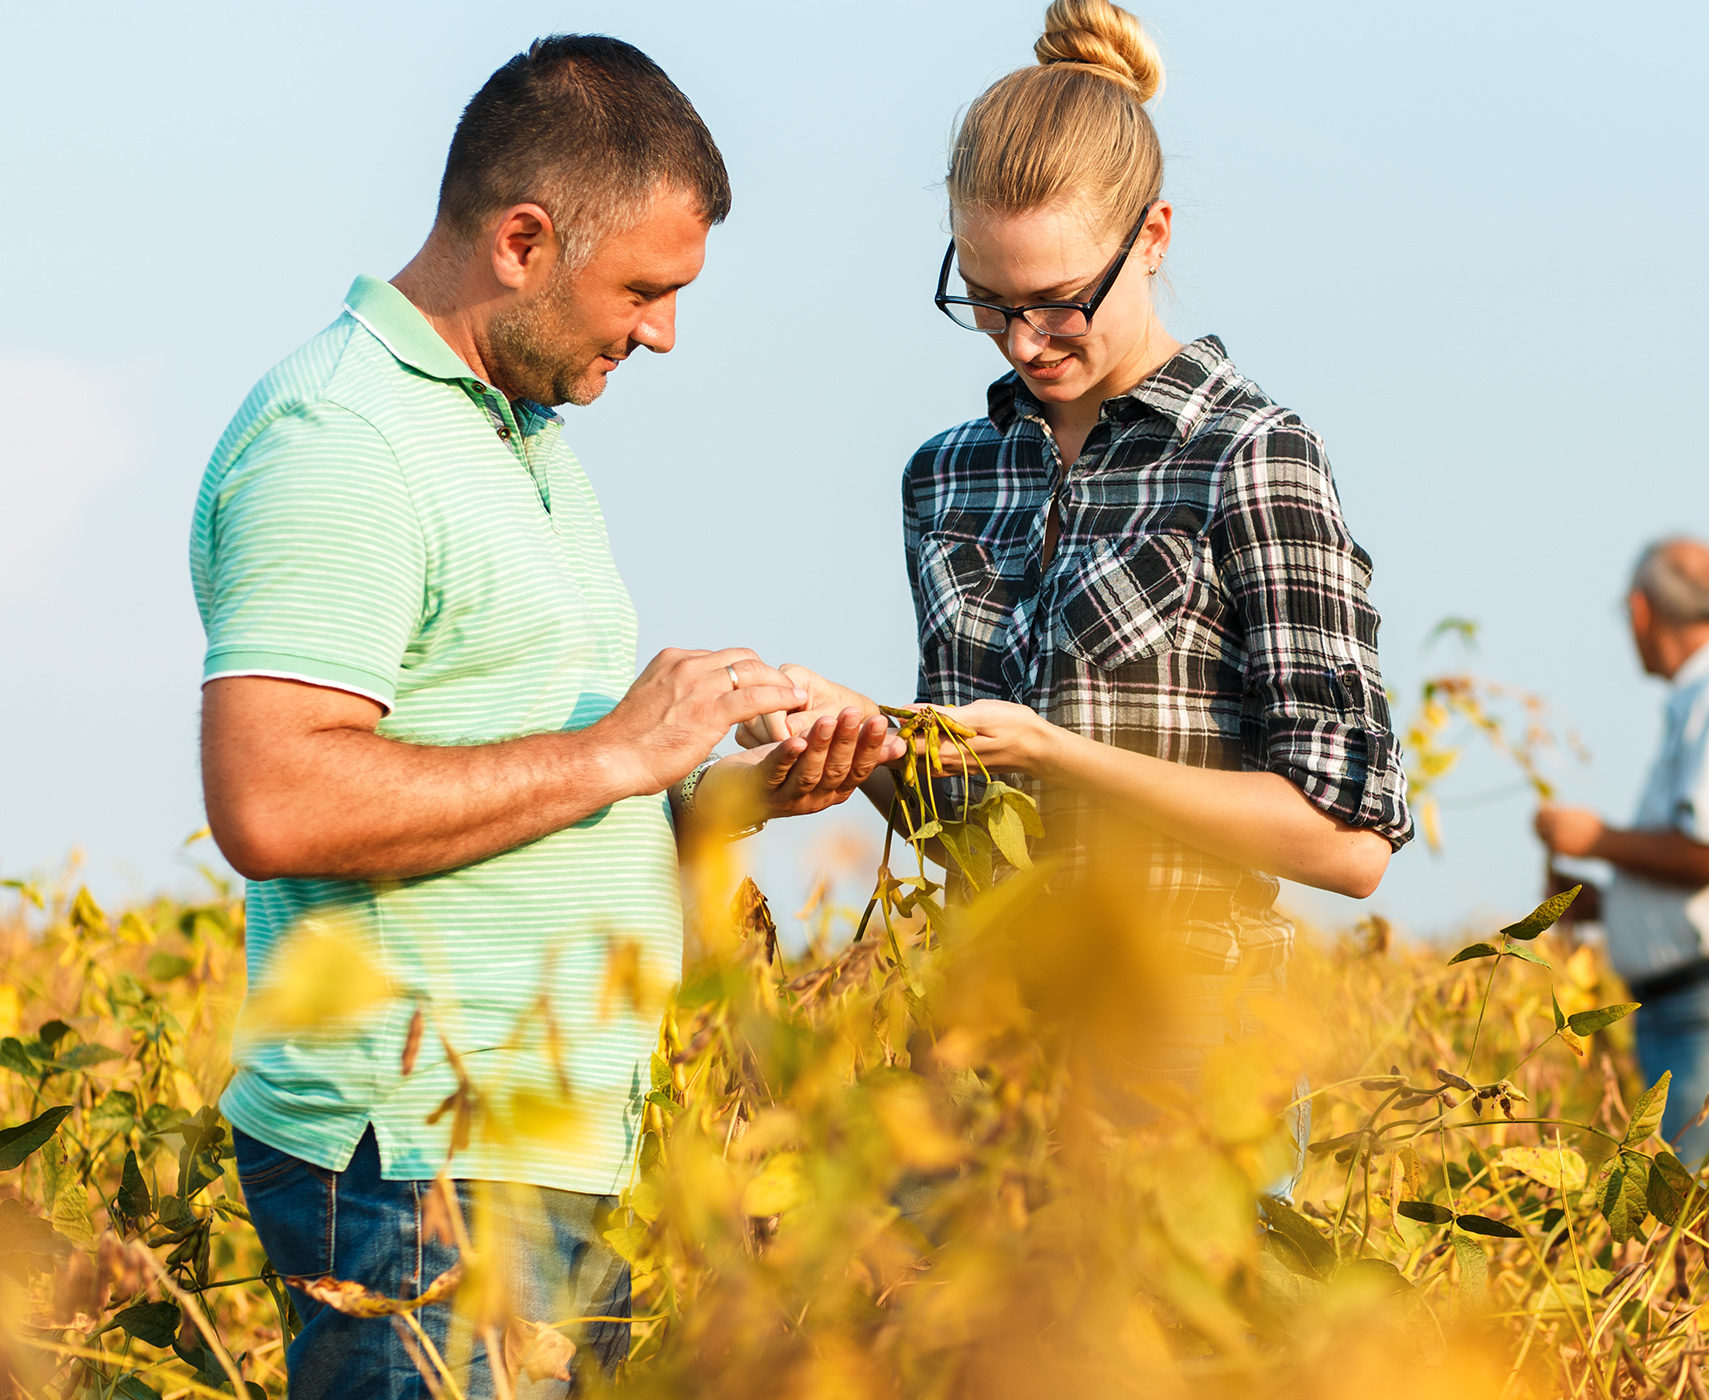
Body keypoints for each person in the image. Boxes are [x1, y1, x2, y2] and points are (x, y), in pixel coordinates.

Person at [191, 36, 897, 1398]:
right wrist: (623, 747)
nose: (661, 332)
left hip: (541, 1152)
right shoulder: (341, 442)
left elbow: (537, 789)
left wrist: (727, 794)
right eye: (645, 289)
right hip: (414, 1169)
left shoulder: (526, 442)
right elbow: (274, 801)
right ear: (524, 240)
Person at [780, 0, 1410, 1154]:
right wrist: (870, 742)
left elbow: (1347, 838)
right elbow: (976, 836)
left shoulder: (1249, 456)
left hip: (1190, 1048)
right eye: (987, 299)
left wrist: (1064, 753)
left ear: (1155, 234)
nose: (1024, 339)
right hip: (985, 1045)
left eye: (1061, 299)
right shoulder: (948, 479)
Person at [1533, 537, 1709, 1155]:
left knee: (1704, 1233)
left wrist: (1598, 839)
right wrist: (1605, 907)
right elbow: (1703, 879)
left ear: (1640, 610)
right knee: (1693, 1233)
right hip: (1698, 1006)